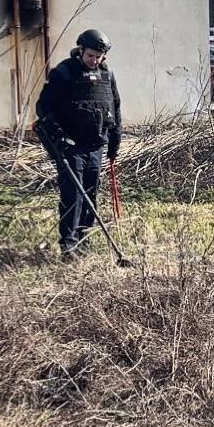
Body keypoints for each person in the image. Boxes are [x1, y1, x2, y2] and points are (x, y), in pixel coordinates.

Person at [34, 29, 122, 260]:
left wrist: (115, 139)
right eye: (91, 55)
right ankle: (69, 245)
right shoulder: (64, 72)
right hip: (70, 146)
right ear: (81, 50)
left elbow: (116, 107)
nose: (95, 60)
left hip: (96, 145)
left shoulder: (107, 75)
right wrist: (58, 134)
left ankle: (84, 239)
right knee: (73, 194)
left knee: (90, 193)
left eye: (99, 57)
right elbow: (43, 107)